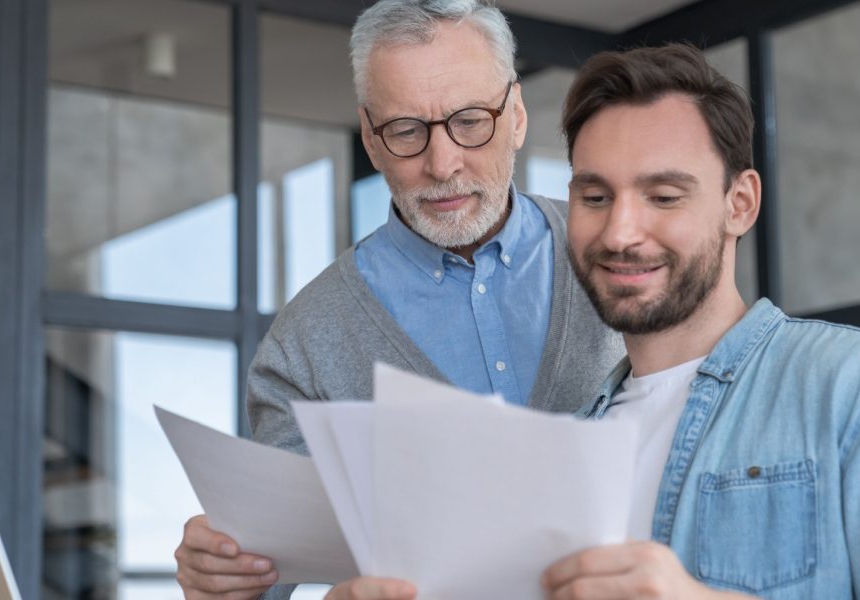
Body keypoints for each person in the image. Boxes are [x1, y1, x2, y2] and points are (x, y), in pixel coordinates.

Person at [173, 2, 622, 599]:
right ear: (370, 138)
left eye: (469, 120)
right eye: (407, 131)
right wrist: (226, 582)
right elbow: (272, 574)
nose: (442, 165)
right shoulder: (305, 344)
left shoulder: (622, 254)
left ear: (516, 113)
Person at [539, 43, 860, 598]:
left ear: (740, 204)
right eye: (594, 197)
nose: (619, 233)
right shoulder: (568, 448)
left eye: (663, 197)